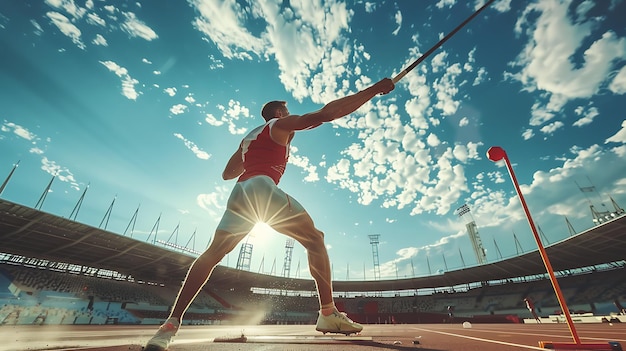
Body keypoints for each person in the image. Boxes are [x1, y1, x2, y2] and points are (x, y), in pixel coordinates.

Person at [144, 78, 395, 351]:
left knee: (212, 255)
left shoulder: (248, 139)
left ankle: (169, 326)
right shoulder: (279, 125)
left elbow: (227, 174)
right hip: (262, 188)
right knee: (316, 239)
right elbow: (326, 114)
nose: (290, 117)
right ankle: (327, 312)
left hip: (240, 194)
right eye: (287, 112)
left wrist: (253, 160)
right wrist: (374, 90)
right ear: (278, 114)